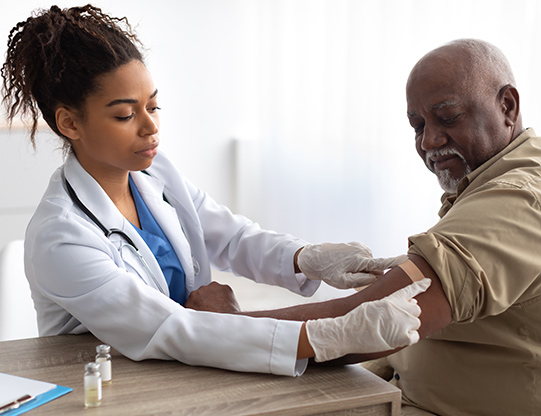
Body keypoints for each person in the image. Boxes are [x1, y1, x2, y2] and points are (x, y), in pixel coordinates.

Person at [1, 5, 430, 376]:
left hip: (191, 365)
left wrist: (308, 259)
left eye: (153, 106)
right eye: (125, 115)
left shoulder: (155, 175)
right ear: (70, 123)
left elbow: (231, 236)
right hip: (113, 386)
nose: (151, 127)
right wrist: (323, 336)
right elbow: (168, 328)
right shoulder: (60, 235)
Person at [215, 39, 541, 415]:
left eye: (448, 118)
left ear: (507, 106)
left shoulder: (518, 201)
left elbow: (366, 321)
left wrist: (224, 327)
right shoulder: (509, 178)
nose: (429, 141)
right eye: (418, 126)